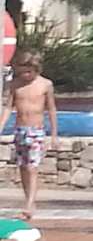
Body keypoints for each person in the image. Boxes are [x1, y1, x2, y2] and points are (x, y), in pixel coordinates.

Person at [2, 51, 57, 220]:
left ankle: (29, 204)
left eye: (29, 72)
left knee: (32, 168)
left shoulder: (45, 85)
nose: (25, 75)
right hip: (20, 130)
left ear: (36, 69)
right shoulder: (15, 85)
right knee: (23, 167)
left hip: (36, 131)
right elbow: (9, 107)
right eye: (22, 72)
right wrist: (1, 125)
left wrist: (54, 134)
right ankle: (29, 200)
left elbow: (51, 109)